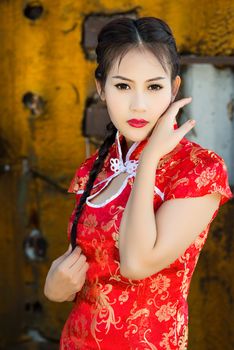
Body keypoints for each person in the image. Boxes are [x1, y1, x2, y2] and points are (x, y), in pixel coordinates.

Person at [44, 16, 233, 349]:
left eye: (154, 87)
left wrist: (147, 161)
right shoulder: (96, 168)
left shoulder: (199, 170)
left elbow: (136, 263)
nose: (139, 105)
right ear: (101, 87)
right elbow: (87, 264)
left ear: (174, 88)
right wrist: (55, 289)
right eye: (122, 86)